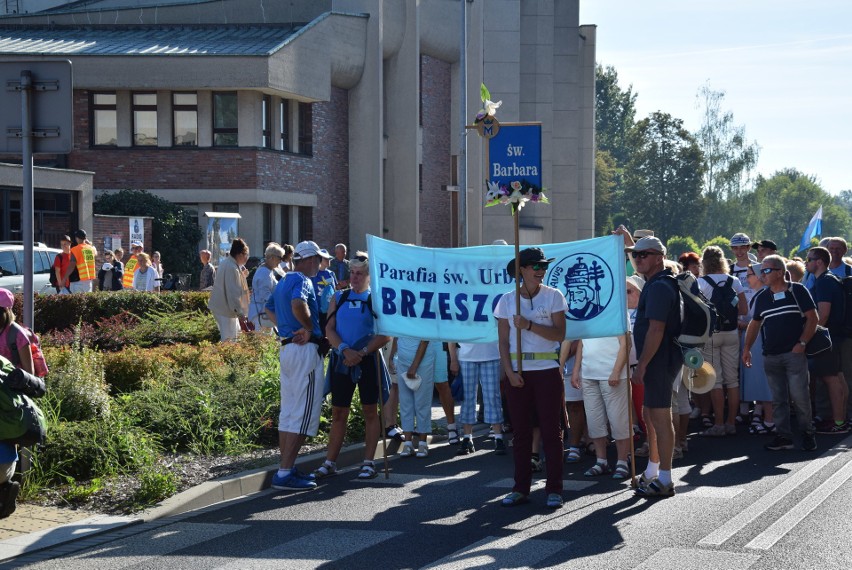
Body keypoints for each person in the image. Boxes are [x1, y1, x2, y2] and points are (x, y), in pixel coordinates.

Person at [494, 247, 567, 509]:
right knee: (521, 433)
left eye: (543, 265)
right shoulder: (505, 300)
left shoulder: (554, 296)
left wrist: (529, 325)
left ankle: (555, 489)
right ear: (521, 270)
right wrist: (510, 372)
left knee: (551, 432)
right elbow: (502, 342)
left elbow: (559, 334)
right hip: (518, 374)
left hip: (547, 371)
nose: (540, 270)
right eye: (535, 266)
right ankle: (520, 488)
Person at [315, 252, 389, 480]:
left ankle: (368, 462)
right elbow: (329, 329)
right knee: (338, 412)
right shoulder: (339, 297)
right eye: (353, 273)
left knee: (370, 411)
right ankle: (330, 461)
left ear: (369, 276)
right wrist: (345, 350)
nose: (355, 278)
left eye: (360, 274)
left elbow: (386, 334)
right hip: (342, 360)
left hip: (368, 361)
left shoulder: (376, 299)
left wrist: (363, 352)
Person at [265, 240, 330, 490]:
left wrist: (288, 330)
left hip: (288, 347)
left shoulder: (283, 280)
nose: (320, 263)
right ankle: (284, 473)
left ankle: (287, 468)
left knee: (290, 413)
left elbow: (269, 309)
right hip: (304, 351)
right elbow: (297, 304)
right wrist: (307, 328)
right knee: (302, 414)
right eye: (318, 258)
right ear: (310, 259)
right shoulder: (302, 280)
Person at [743, 254, 817, 452]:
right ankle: (784, 436)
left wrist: (802, 343)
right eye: (762, 271)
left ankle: (808, 433)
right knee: (778, 399)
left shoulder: (798, 290)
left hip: (794, 353)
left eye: (766, 270)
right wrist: (747, 348)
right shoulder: (763, 297)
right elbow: (755, 323)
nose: (762, 275)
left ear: (780, 272)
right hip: (771, 355)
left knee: (800, 396)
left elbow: (813, 318)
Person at [628, 236, 682, 498]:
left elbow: (656, 329)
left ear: (659, 257)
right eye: (635, 254)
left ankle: (666, 479)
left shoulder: (660, 286)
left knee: (660, 417)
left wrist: (643, 365)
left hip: (660, 360)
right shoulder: (653, 282)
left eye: (644, 254)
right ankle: (652, 471)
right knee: (650, 414)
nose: (638, 258)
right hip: (656, 359)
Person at [697, 246, 747, 437]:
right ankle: (731, 423)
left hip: (711, 334)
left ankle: (718, 424)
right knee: (732, 379)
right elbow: (743, 309)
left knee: (716, 381)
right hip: (732, 332)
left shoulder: (701, 282)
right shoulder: (734, 280)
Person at [805, 246, 848, 434]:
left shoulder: (823, 282)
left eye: (808, 259)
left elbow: (822, 315)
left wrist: (808, 337)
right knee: (838, 379)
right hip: (837, 335)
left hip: (827, 337)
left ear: (819, 262)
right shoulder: (831, 279)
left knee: (831, 380)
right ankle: (841, 420)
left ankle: (838, 423)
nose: (806, 263)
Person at [449, 338, 505, 456]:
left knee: (493, 397)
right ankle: (467, 437)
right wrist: (453, 358)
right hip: (466, 357)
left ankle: (498, 437)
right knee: (467, 399)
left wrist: (504, 361)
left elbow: (502, 330)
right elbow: (452, 333)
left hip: (492, 355)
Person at [740, 263, 775, 435]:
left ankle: (769, 420)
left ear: (760, 275)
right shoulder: (759, 294)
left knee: (765, 381)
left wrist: (742, 324)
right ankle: (768, 419)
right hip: (756, 342)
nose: (747, 279)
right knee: (762, 381)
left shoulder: (764, 295)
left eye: (749, 275)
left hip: (761, 343)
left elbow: (761, 321)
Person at [207, 238, 250, 342]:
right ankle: (226, 358)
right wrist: (240, 313)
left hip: (224, 308)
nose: (247, 259)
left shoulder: (228, 263)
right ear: (240, 254)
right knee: (230, 340)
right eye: (246, 256)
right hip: (226, 309)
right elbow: (233, 293)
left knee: (234, 337)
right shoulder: (232, 267)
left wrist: (242, 276)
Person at [249, 243, 286, 332]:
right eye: (280, 258)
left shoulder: (267, 270)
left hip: (264, 313)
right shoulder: (264, 273)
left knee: (267, 342)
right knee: (264, 342)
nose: (280, 261)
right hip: (262, 314)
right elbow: (265, 296)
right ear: (272, 257)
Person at [310, 250, 337, 333]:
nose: (329, 261)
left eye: (329, 259)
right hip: (317, 310)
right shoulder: (313, 274)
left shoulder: (331, 274)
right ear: (320, 260)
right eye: (326, 259)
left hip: (331, 309)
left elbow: (335, 289)